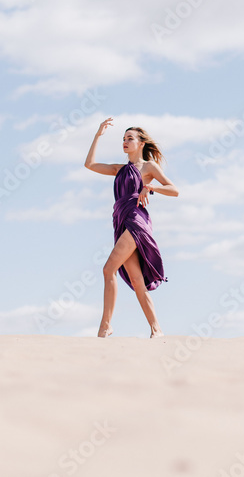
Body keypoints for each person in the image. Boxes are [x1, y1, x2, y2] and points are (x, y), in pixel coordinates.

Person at [84, 117, 178, 338]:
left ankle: (105, 326)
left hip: (137, 221)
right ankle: (157, 329)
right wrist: (98, 135)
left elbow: (174, 190)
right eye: (123, 139)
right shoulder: (119, 169)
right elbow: (89, 164)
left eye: (130, 138)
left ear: (141, 143)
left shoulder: (149, 166)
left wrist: (150, 187)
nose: (125, 142)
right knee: (136, 280)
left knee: (108, 269)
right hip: (120, 220)